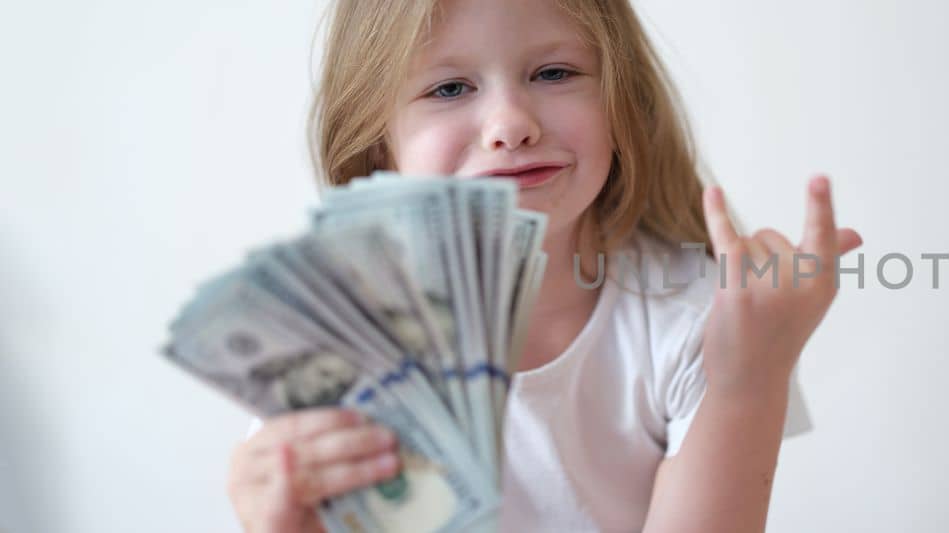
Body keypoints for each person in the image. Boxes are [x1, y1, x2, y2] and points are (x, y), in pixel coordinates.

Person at [223, 0, 864, 531]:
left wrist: (748, 379)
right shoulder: (329, 340)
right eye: (449, 88)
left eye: (554, 73)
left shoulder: (699, 315)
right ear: (376, 144)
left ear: (622, 102)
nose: (510, 124)